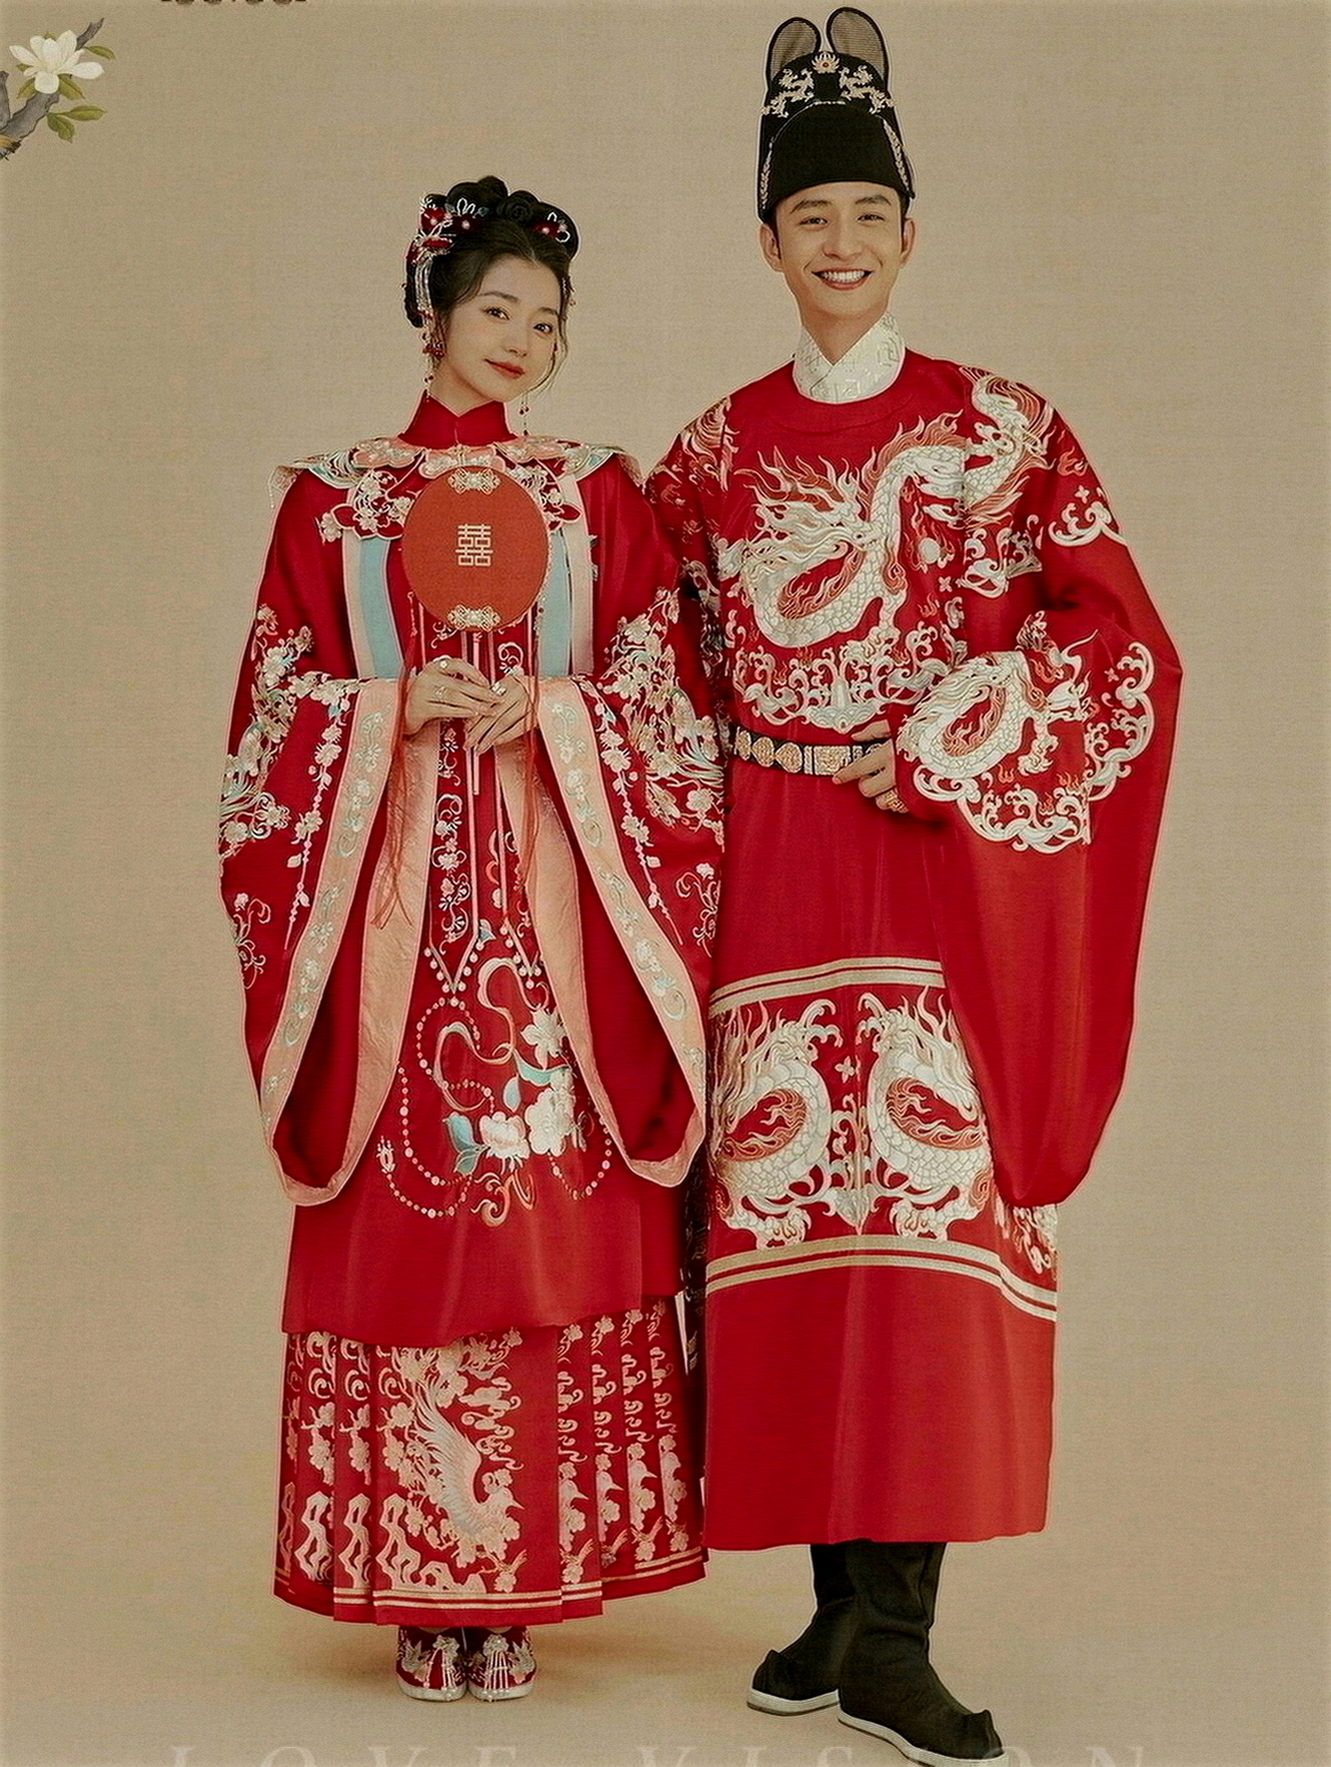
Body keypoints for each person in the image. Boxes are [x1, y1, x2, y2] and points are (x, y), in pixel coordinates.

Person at [647, 13, 1181, 1765]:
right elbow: (651, 673)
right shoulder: (710, 457)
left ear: (912, 231)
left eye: (869, 213)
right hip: (773, 882)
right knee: (796, 1237)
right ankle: (830, 1611)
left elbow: (1120, 649)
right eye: (811, 216)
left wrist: (957, 736)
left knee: (927, 1238)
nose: (842, 243)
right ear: (766, 243)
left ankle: (899, 1634)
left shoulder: (1006, 431)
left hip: (939, 894)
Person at [220, 176, 722, 1703]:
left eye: (547, 323)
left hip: (557, 924)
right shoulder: (333, 503)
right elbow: (265, 726)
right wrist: (385, 711)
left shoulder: (594, 496)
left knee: (543, 1223)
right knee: (414, 1231)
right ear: (433, 310)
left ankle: (523, 1583)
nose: (521, 340)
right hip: (396, 928)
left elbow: (666, 700)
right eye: (497, 308)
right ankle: (416, 1584)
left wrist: (553, 710)